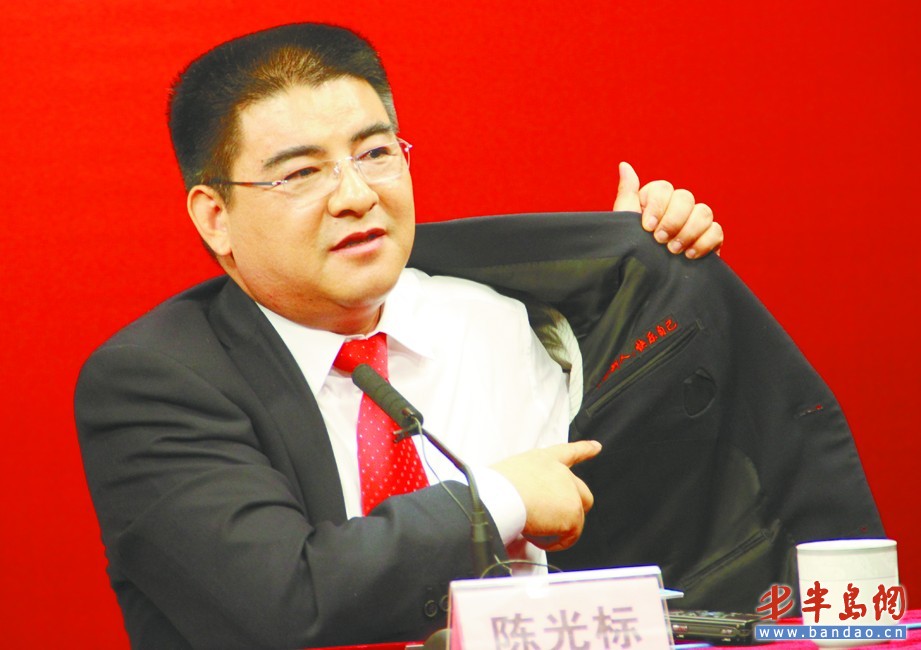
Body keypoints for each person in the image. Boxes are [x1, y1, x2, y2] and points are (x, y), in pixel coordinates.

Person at [76, 23, 727, 649]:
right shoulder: (156, 381)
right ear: (215, 217)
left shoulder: (501, 322)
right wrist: (499, 499)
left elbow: (641, 513)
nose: (356, 195)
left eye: (375, 153)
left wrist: (635, 284)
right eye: (302, 173)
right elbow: (283, 599)